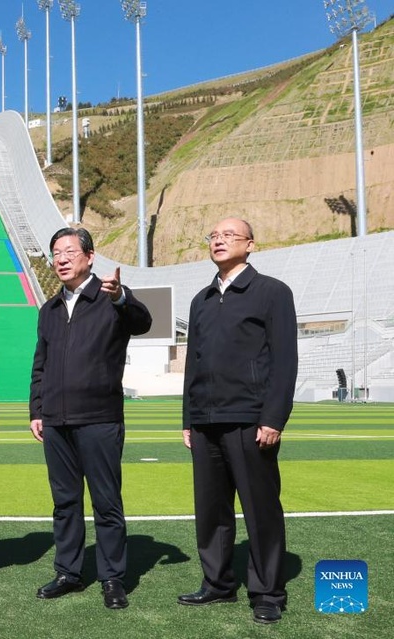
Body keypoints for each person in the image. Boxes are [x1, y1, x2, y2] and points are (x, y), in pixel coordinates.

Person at [178, 218, 297, 625]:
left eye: (229, 235)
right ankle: (217, 583)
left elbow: (285, 360)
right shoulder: (202, 300)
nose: (219, 240)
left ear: (251, 244)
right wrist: (188, 420)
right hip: (205, 420)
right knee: (210, 510)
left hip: (250, 419)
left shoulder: (272, 293)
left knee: (260, 509)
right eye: (213, 235)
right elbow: (193, 364)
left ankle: (267, 592)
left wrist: (273, 417)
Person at [29, 227, 152, 609]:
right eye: (56, 253)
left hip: (99, 418)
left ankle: (112, 577)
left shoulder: (109, 298)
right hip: (56, 422)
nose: (61, 259)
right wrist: (37, 409)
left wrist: (122, 298)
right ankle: (68, 571)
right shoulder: (48, 310)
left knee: (106, 502)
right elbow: (41, 365)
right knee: (65, 502)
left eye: (69, 251)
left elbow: (142, 321)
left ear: (90, 256)